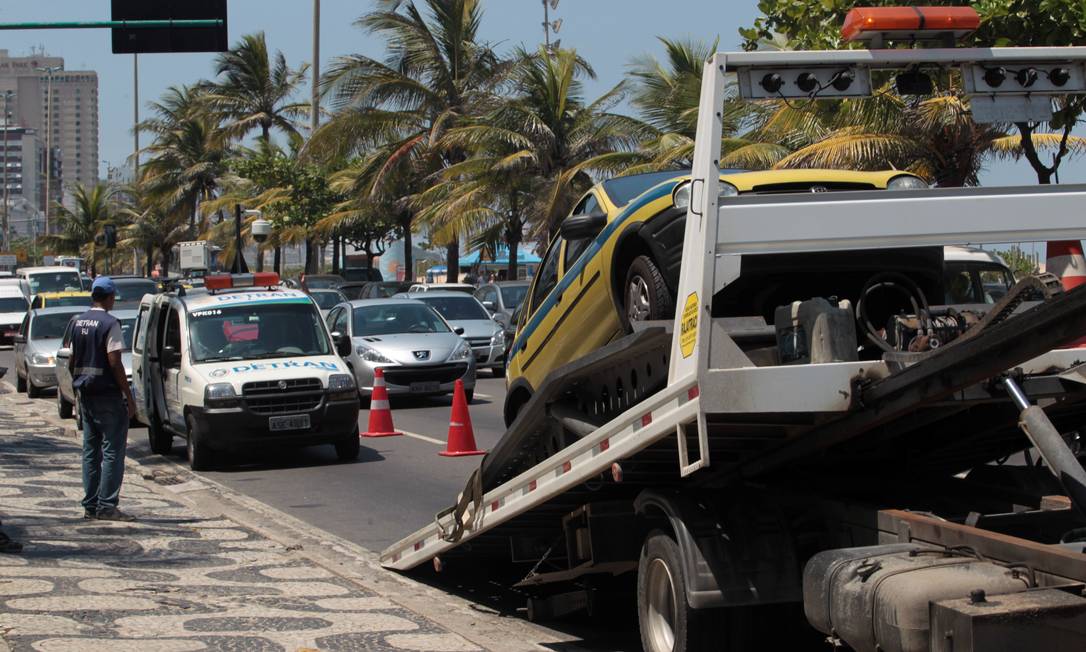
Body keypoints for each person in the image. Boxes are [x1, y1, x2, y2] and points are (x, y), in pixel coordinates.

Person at [69, 277, 137, 521]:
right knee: (112, 451)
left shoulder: (78, 322)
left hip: (85, 393)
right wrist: (128, 395)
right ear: (109, 297)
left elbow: (72, 359)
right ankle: (107, 505)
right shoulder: (110, 323)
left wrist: (76, 389)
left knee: (90, 450)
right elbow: (114, 361)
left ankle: (90, 504)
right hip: (108, 395)